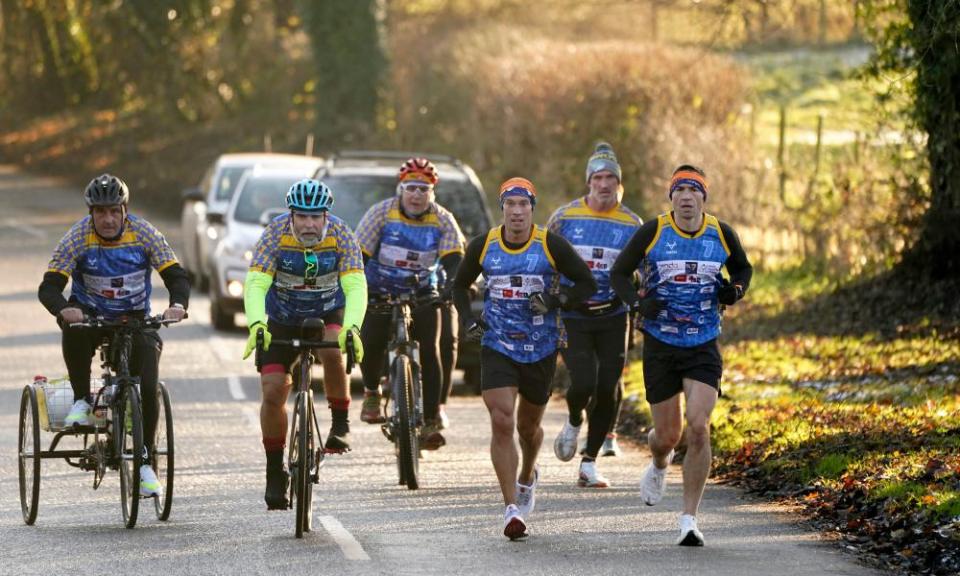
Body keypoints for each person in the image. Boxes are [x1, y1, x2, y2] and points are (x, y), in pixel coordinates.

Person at [610, 165, 752, 546]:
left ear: (704, 198)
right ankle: (659, 462)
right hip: (660, 343)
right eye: (679, 191)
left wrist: (734, 290)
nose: (687, 197)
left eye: (694, 191)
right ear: (671, 198)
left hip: (703, 342)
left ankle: (689, 518)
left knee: (700, 427)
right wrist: (639, 302)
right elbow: (619, 275)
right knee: (668, 437)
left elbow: (742, 268)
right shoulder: (654, 231)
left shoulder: (721, 233)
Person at [452, 177, 597, 540]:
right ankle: (510, 508)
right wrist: (469, 319)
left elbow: (586, 284)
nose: (517, 212)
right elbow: (459, 284)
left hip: (541, 347)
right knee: (502, 420)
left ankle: (528, 475)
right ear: (502, 209)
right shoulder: (483, 245)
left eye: (524, 205)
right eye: (510, 205)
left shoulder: (549, 244)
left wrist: (556, 301)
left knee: (527, 429)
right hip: (497, 343)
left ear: (532, 209)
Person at [38, 174, 190, 498]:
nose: (108, 219)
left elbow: (176, 275)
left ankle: (145, 461)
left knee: (148, 383)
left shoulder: (145, 233)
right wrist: (64, 309)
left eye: (114, 211)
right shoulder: (78, 237)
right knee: (74, 330)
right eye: (100, 212)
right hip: (90, 313)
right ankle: (82, 399)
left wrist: (177, 305)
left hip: (133, 317)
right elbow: (49, 286)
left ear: (125, 209)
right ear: (91, 212)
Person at [242, 178, 367, 510]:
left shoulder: (342, 235)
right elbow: (256, 283)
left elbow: (356, 286)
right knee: (272, 392)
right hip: (282, 315)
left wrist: (352, 327)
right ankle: (274, 470)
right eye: (302, 216)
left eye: (316, 217)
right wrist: (256, 322)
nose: (309, 224)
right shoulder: (274, 234)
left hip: (328, 310)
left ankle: (340, 423)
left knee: (333, 351)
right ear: (291, 215)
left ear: (326, 216)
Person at [547, 142, 642, 488]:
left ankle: (589, 462)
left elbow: (644, 270)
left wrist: (644, 300)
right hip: (575, 314)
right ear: (588, 182)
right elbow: (546, 260)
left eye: (610, 178)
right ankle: (574, 420)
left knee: (608, 387)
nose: (604, 184)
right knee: (584, 381)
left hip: (614, 315)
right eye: (598, 178)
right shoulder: (564, 217)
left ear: (619, 183)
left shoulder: (632, 223)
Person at [354, 157, 465, 450]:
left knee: (431, 349)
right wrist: (355, 285)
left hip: (423, 292)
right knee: (372, 336)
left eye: (424, 189)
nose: (417, 195)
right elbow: (359, 256)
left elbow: (455, 260)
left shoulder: (442, 219)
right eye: (411, 188)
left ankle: (430, 418)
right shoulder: (380, 213)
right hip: (380, 288)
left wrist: (454, 285)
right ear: (400, 189)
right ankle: (372, 392)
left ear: (432, 193)